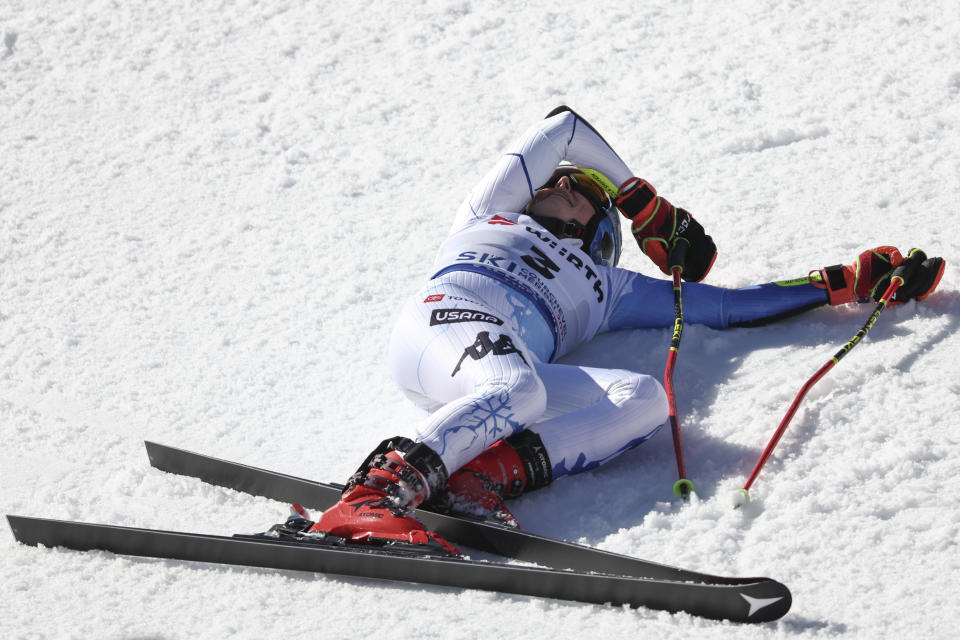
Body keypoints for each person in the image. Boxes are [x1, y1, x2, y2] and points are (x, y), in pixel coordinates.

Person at [307, 106, 945, 554]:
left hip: (502, 377)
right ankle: (371, 497)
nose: (563, 182)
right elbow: (562, 128)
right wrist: (643, 200)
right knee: (520, 388)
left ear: (599, 236)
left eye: (584, 190)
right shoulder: (489, 212)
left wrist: (842, 283)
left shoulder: (605, 288)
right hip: (443, 328)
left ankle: (478, 479)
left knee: (644, 400)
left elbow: (724, 308)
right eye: (561, 180)